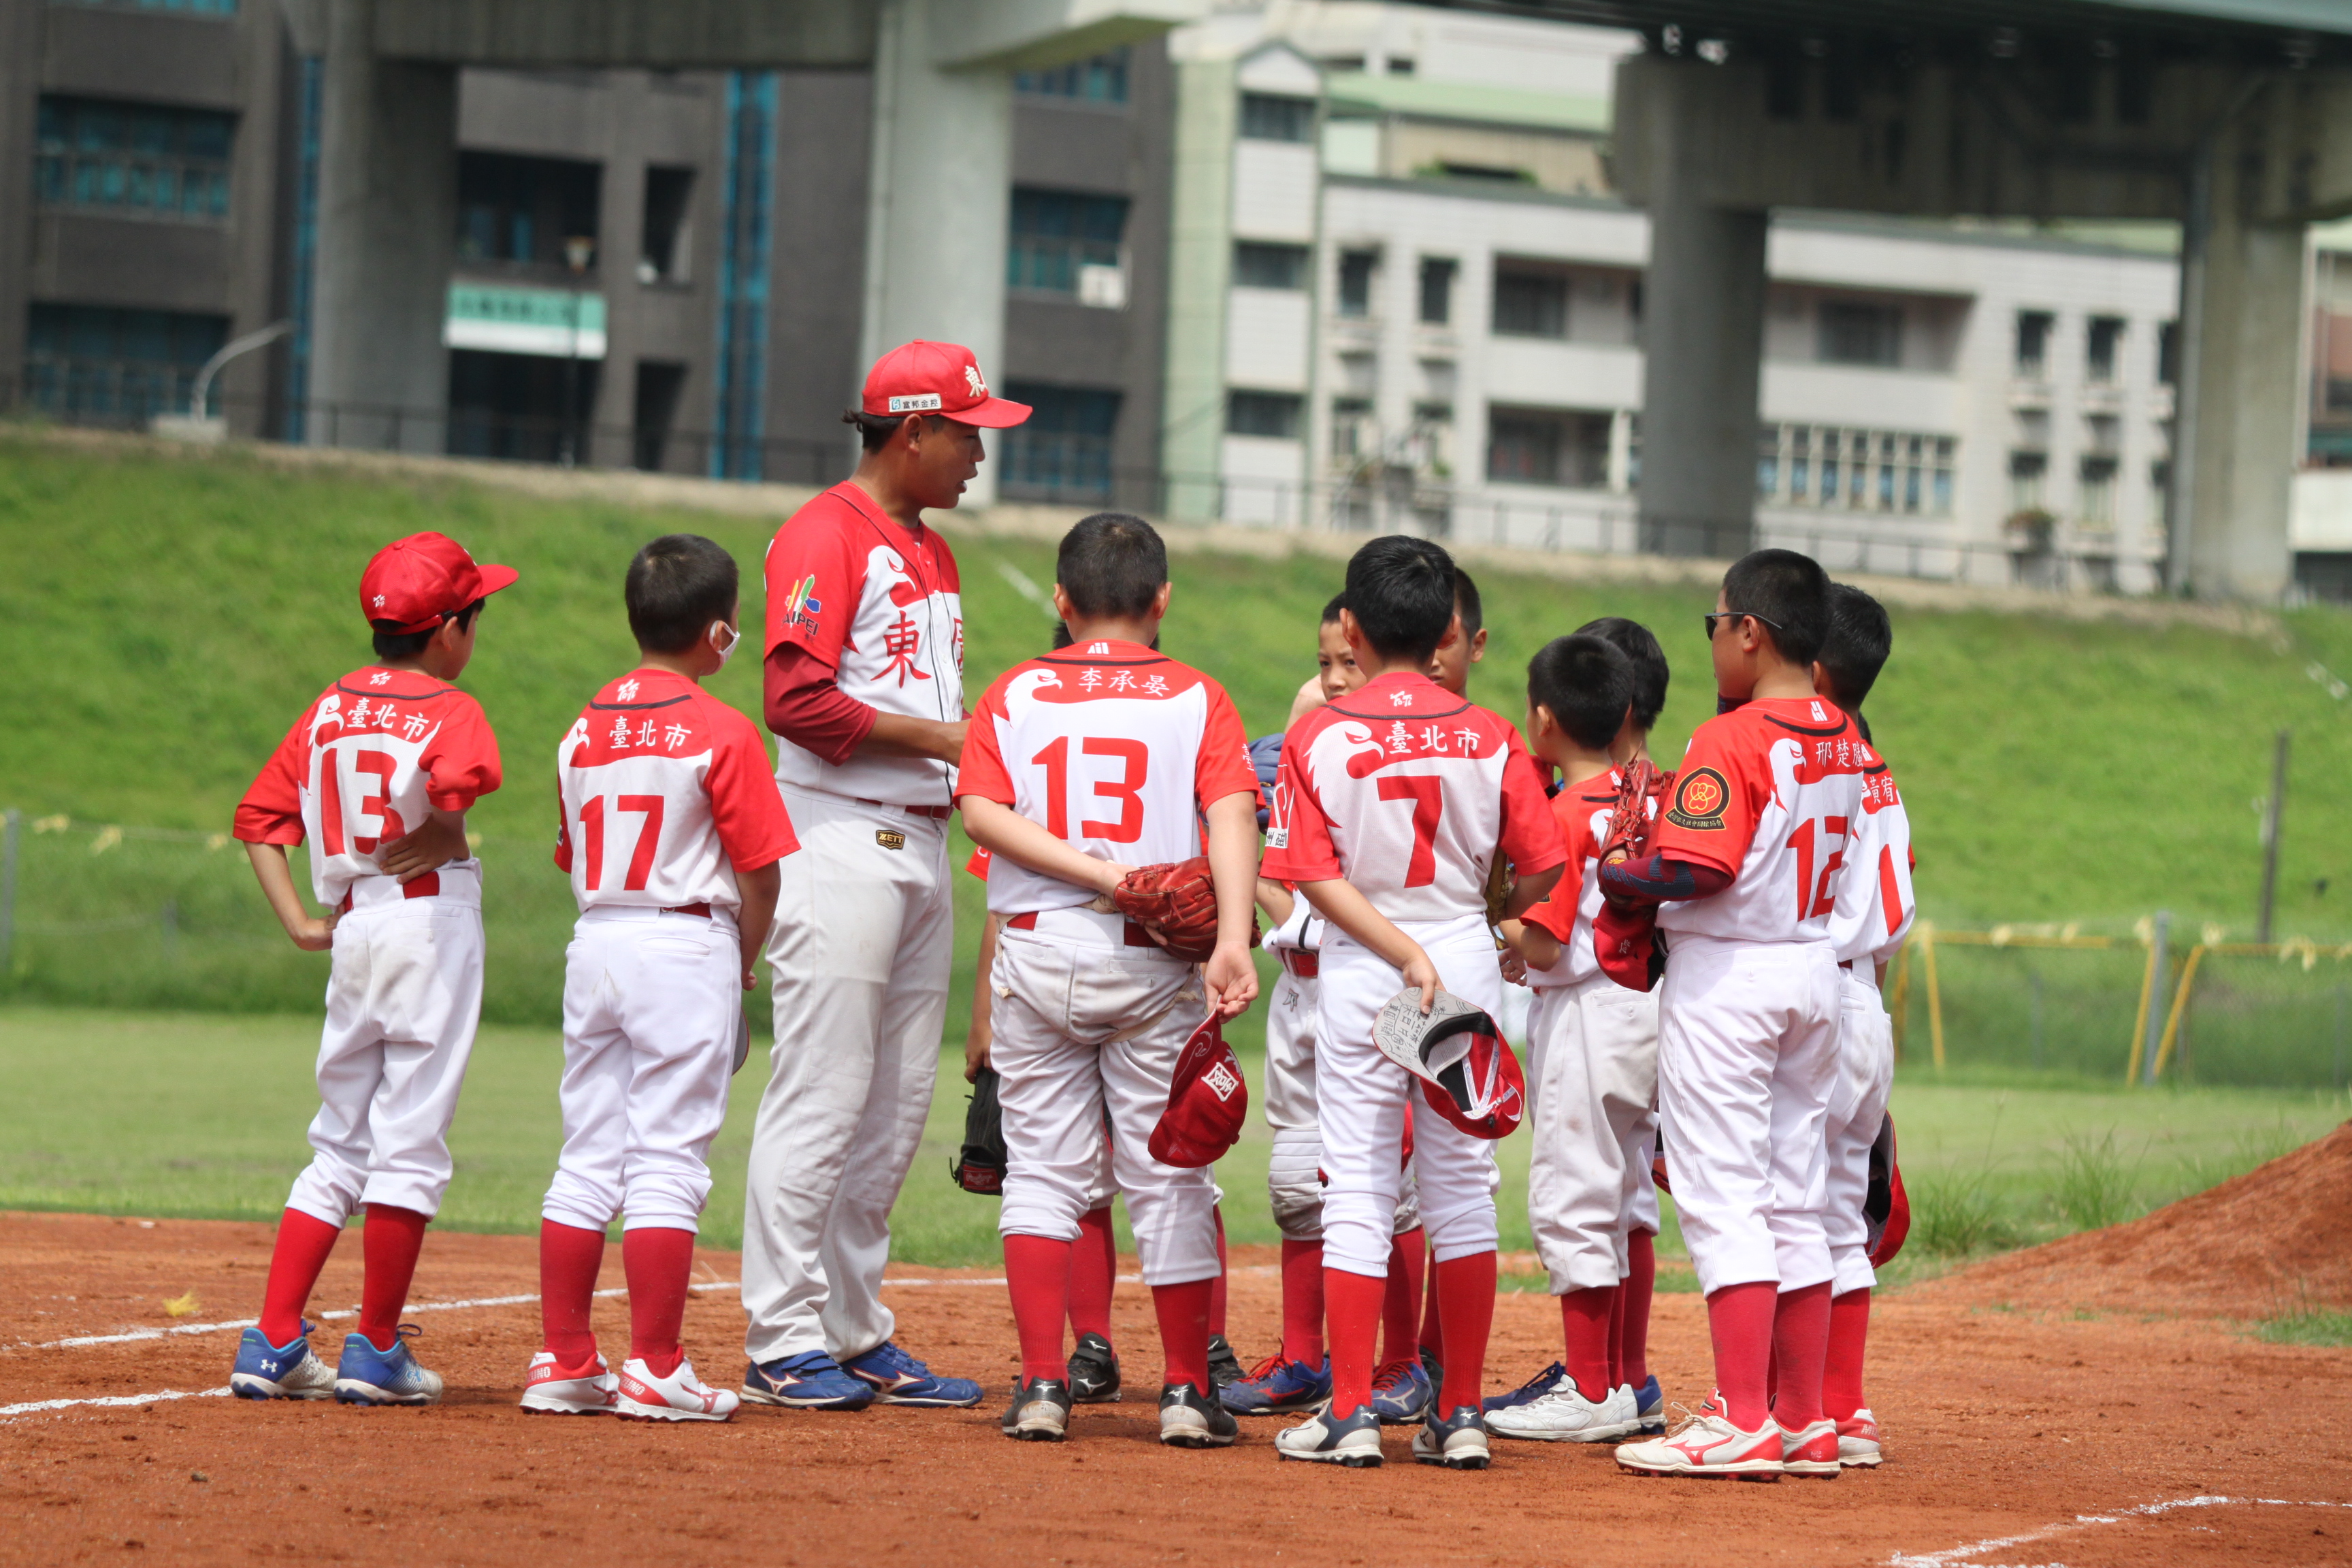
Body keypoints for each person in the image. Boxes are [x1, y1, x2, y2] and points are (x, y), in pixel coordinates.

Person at [739, 341, 1029, 1411]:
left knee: (896, 1104)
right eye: (968, 434)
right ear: (914, 432)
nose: (979, 456)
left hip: (919, 844)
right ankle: (780, 1337)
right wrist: (948, 739)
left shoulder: (932, 550)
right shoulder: (826, 531)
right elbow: (793, 700)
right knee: (823, 1091)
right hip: (838, 835)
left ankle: (852, 1327)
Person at [956, 512, 1262, 1448]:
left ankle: (1043, 1386)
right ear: (1162, 599)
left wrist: (1095, 873)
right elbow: (1232, 814)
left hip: (1039, 949)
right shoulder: (1197, 695)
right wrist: (1232, 938)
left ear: (1061, 599)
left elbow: (980, 815)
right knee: (1170, 1175)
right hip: (1151, 960)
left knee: (1044, 1175)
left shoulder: (1013, 692)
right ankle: (1187, 1392)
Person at [1264, 536, 1567, 1470]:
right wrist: (1486, 918)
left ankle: (1352, 1411)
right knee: (1462, 1190)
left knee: (1358, 1184)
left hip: (1365, 962)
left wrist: (1397, 948)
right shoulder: (1492, 734)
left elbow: (1308, 874)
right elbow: (1546, 863)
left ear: (1352, 630)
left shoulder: (1319, 732)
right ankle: (1461, 1412)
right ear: (1446, 633)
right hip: (1464, 956)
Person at [226, 532, 512, 1405]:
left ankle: (273, 1341)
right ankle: (377, 1348)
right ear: (449, 629)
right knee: (410, 1137)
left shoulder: (328, 707)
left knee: (340, 1138)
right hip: (427, 925)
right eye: (475, 615)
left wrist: (300, 924)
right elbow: (464, 779)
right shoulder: (451, 704)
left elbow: (258, 820)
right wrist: (450, 828)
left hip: (353, 930)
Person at [1605, 549, 1867, 1481]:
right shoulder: (1844, 731)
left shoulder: (1731, 735)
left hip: (1733, 977)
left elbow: (1701, 867)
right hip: (1814, 971)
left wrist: (1622, 874)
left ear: (1751, 632)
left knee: (1723, 1193)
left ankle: (1742, 1418)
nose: (1713, 640)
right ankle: (1804, 1419)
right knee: (1797, 1194)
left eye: (1716, 624)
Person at [527, 536, 798, 1422]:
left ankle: (565, 1358)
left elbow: (572, 851)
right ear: (719, 633)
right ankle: (656, 1366)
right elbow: (762, 875)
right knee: (669, 1157)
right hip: (684, 941)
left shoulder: (580, 728)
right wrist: (742, 959)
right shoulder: (723, 729)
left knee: (586, 1154)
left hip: (598, 936)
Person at [1228, 595, 1437, 1427]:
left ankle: (1401, 1361)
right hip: (1302, 989)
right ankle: (1302, 1357)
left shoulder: (1402, 745)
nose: (1336, 677)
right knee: (1296, 1178)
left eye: (1350, 660)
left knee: (1393, 1186)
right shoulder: (1310, 737)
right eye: (1326, 663)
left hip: (1378, 986)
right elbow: (1270, 861)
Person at [1488, 617, 1671, 1439]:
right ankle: (1629, 1381)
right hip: (1656, 1007)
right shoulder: (1656, 795)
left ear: (1544, 720)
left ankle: (1591, 1390)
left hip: (1588, 1016)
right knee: (1630, 1196)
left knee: (1575, 1194)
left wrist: (1496, 921)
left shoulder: (1562, 812)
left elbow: (1546, 943)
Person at [1812, 584, 1913, 1469]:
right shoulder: (1878, 768)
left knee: (1780, 1207)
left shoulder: (1797, 755)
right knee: (1841, 1214)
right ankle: (1846, 1410)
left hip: (1803, 994)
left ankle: (1785, 1408)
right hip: (1865, 999)